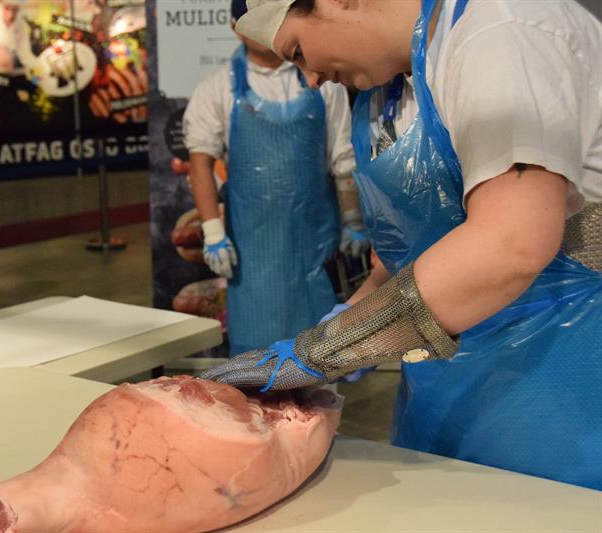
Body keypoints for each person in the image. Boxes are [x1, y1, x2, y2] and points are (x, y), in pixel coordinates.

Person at [202, 0, 602, 490]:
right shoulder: (387, 89)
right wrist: (347, 318)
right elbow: (413, 254)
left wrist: (327, 350)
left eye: (300, 51)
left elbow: (512, 242)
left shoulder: (500, 29)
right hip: (448, 405)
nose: (312, 78)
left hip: (563, 403)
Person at [183, 0, 367, 355]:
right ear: (235, 27)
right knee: (256, 372)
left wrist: (353, 219)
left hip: (313, 248)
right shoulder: (218, 88)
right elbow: (200, 161)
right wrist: (213, 232)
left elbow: (343, 160)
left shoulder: (322, 80)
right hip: (252, 253)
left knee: (317, 359)